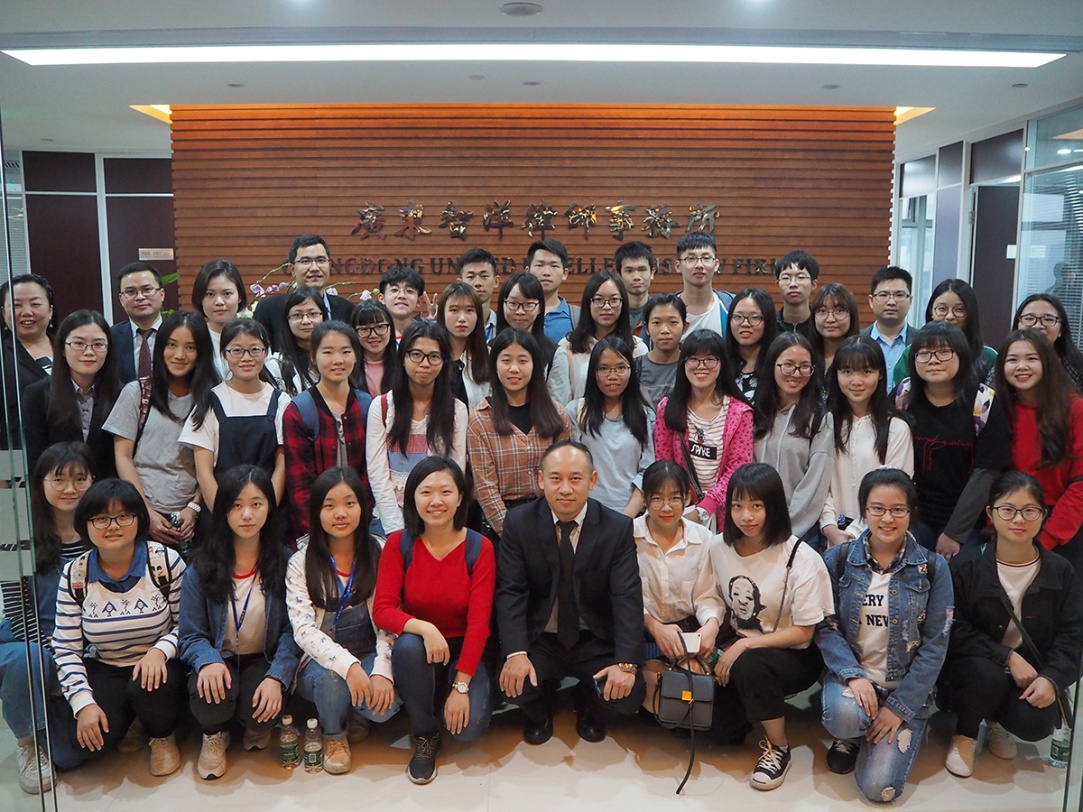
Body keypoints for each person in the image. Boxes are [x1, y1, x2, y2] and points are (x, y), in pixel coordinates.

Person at [816, 469, 953, 802]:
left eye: (897, 509)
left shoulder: (933, 568)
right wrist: (853, 675)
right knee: (844, 717)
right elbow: (824, 626)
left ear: (911, 512)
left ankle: (884, 726)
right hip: (855, 682)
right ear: (864, 510)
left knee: (880, 789)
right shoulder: (838, 559)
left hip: (904, 688)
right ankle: (856, 730)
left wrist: (900, 707)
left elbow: (936, 645)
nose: (887, 518)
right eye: (877, 508)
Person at [497, 441, 646, 744]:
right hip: (542, 637)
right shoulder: (519, 522)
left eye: (575, 478)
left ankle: (588, 703)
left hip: (593, 637)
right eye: (555, 478)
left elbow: (627, 597)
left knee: (630, 694)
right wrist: (516, 652)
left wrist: (626, 664)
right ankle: (542, 708)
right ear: (540, 480)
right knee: (512, 684)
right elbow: (511, 591)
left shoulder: (616, 528)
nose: (565, 489)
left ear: (592, 481)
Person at [941, 471, 1083, 778]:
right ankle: (966, 732)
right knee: (986, 676)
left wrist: (1052, 678)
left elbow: (1073, 634)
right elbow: (952, 629)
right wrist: (1006, 656)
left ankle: (996, 721)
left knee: (1036, 723)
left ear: (1043, 515)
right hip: (975, 669)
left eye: (1029, 510)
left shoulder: (1061, 571)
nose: (1018, 519)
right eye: (1007, 509)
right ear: (991, 513)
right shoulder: (967, 565)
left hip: (1028, 674)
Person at [707, 462, 833, 790]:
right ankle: (752, 707)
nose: (746, 516)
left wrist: (745, 645)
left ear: (773, 507)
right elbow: (713, 599)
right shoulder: (718, 547)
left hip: (793, 653)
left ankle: (779, 748)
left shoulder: (801, 557)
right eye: (737, 506)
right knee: (721, 732)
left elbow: (805, 632)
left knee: (749, 664)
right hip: (737, 644)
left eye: (756, 506)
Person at [51, 479, 187, 775]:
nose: (112, 526)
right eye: (101, 518)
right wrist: (83, 704)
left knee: (148, 687)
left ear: (139, 519)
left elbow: (188, 627)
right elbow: (65, 648)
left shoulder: (164, 561)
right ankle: (129, 718)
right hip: (106, 664)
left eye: (123, 516)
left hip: (160, 665)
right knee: (70, 753)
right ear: (85, 524)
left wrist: (159, 652)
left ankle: (162, 735)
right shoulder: (75, 574)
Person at [373, 457, 496, 784]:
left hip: (464, 649)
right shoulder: (398, 544)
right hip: (420, 649)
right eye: (426, 492)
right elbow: (382, 610)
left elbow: (479, 625)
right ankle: (425, 733)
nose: (436, 501)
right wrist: (425, 627)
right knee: (408, 647)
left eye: (446, 491)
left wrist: (461, 686)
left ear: (460, 497)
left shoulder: (480, 547)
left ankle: (445, 694)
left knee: (469, 729)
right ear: (412, 497)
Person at [178, 465, 298, 780]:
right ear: (223, 511)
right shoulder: (200, 567)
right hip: (221, 656)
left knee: (260, 715)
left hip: (263, 657)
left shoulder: (286, 562)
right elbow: (190, 635)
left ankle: (254, 723)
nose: (247, 514)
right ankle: (214, 734)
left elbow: (293, 632)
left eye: (256, 504)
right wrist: (207, 660)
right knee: (210, 697)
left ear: (269, 507)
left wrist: (277, 676)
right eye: (236, 505)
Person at [285, 467, 400, 775]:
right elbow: (304, 630)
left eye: (349, 503)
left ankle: (355, 711)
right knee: (332, 681)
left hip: (370, 650)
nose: (340, 513)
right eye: (329, 505)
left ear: (363, 507)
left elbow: (389, 617)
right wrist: (349, 666)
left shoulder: (380, 551)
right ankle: (334, 734)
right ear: (317, 512)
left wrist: (382, 670)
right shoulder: (300, 562)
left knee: (384, 709)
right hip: (319, 663)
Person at [0, 442, 94, 793]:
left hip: (86, 649)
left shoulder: (102, 530)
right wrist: (60, 661)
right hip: (33, 644)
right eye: (59, 479)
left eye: (80, 478)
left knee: (70, 755)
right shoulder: (16, 538)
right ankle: (28, 744)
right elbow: (18, 614)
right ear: (39, 482)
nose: (70, 488)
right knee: (28, 659)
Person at [104, 310, 218, 557]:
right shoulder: (137, 392)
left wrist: (194, 507)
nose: (179, 355)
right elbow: (123, 457)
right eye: (171, 345)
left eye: (190, 347)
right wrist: (145, 512)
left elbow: (212, 463)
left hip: (195, 516)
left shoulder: (212, 398)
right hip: (141, 510)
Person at [896, 322, 1012, 559]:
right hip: (913, 516)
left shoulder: (984, 402)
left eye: (944, 352)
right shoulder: (904, 396)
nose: (933, 360)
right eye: (924, 353)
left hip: (967, 521)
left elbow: (986, 472)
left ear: (962, 355)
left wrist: (954, 533)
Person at [633, 460, 723, 714]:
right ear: (645, 500)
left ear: (687, 498)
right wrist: (654, 626)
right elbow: (622, 597)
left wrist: (711, 626)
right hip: (641, 631)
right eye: (657, 498)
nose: (666, 507)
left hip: (687, 631)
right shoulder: (628, 536)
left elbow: (707, 595)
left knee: (690, 694)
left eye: (674, 498)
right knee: (653, 694)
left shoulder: (703, 538)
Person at [467, 329, 574, 540]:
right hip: (501, 527)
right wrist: (514, 537)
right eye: (506, 360)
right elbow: (485, 489)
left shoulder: (557, 415)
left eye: (523, 360)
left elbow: (565, 475)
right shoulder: (480, 420)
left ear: (535, 365)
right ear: (494, 365)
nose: (514, 368)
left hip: (551, 519)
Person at [994, 329, 1083, 577]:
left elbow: (1080, 485)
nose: (1021, 366)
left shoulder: (1075, 409)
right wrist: (997, 522)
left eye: (1031, 358)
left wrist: (1046, 539)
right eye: (1013, 359)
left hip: (1061, 528)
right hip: (1006, 522)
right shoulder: (997, 410)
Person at [367, 319, 467, 536]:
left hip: (438, 516)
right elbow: (377, 474)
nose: (425, 363)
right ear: (403, 358)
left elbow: (456, 471)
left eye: (434, 356)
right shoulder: (382, 407)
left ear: (444, 362)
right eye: (416, 354)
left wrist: (435, 521)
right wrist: (396, 530)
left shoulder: (456, 410)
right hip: (389, 519)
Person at [180, 318, 290, 513]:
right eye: (237, 350)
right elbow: (204, 472)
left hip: (269, 512)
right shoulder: (211, 401)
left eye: (254, 349)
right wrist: (226, 515)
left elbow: (282, 466)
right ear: (224, 354)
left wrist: (264, 512)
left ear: (266, 352)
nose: (246, 358)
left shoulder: (282, 401)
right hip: (219, 512)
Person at [654, 329, 754, 529]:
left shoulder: (740, 413)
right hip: (680, 511)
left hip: (726, 514)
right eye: (694, 359)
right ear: (683, 363)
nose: (701, 366)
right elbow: (664, 462)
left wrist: (706, 507)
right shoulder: (667, 407)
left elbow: (737, 468)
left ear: (722, 363)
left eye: (710, 359)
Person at [820, 336, 914, 547]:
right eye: (847, 372)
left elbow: (896, 490)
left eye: (866, 372)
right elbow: (820, 485)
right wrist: (830, 528)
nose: (856, 381)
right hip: (831, 538)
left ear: (880, 374)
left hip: (883, 536)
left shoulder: (896, 428)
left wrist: (853, 533)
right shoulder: (825, 424)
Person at [282, 321, 372, 538]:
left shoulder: (368, 406)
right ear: (313, 356)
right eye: (328, 352)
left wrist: (360, 523)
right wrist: (313, 535)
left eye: (346, 351)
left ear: (356, 356)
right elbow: (299, 487)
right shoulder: (298, 411)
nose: (338, 360)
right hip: (314, 529)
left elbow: (371, 474)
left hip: (362, 525)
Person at [753, 333, 834, 544]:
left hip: (799, 533)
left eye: (804, 366)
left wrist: (787, 529)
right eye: (788, 365)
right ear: (773, 365)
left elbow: (815, 482)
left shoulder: (820, 419)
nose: (796, 374)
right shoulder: (753, 412)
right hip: (753, 524)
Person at [22, 310, 121, 479]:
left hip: (107, 491)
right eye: (79, 343)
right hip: (58, 489)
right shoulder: (37, 394)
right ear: (62, 348)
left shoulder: (122, 395)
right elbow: (35, 460)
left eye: (98, 344)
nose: (89, 352)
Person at [566, 337, 655, 516]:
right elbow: (571, 469)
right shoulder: (576, 412)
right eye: (604, 369)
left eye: (621, 368)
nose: (613, 376)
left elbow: (648, 471)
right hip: (587, 513)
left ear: (631, 370)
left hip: (632, 514)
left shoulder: (645, 415)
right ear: (593, 372)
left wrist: (624, 519)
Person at [553, 271, 648, 403]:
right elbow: (562, 401)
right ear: (588, 302)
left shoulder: (637, 347)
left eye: (614, 300)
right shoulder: (568, 346)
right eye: (599, 300)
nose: (607, 307)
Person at [253, 235, 353, 351]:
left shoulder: (347, 310)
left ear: (330, 266)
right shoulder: (268, 310)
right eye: (306, 261)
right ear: (292, 269)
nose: (314, 268)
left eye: (321, 260)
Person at [893, 279, 996, 386]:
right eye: (942, 309)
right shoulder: (912, 352)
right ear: (931, 311)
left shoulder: (988, 356)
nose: (949, 316)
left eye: (959, 310)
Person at [0, 273, 55, 448]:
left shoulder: (69, 347)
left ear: (50, 310)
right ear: (3, 312)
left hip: (70, 453)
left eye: (35, 304)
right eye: (16, 305)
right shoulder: (2, 354)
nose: (27, 312)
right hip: (19, 453)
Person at [494, 272, 567, 402]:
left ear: (539, 308)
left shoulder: (555, 354)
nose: (520, 311)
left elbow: (558, 404)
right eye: (513, 303)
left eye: (528, 304)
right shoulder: (489, 349)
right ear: (502, 305)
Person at [436, 281, 491, 412]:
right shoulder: (430, 356)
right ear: (442, 313)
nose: (462, 318)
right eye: (454, 310)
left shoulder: (490, 357)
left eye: (469, 310)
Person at [1012, 292, 1083, 392]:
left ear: (1061, 330)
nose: (1037, 326)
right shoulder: (1002, 366)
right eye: (1029, 318)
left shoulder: (1078, 367)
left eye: (1048, 319)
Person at [860, 266, 915, 391]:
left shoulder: (922, 342)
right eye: (883, 295)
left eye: (899, 295)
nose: (891, 302)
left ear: (910, 301)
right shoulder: (856, 340)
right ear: (871, 301)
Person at [111, 261, 166, 384]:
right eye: (131, 292)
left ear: (162, 294)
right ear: (121, 299)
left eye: (147, 289)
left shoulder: (178, 333)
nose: (140, 297)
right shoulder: (110, 338)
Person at [265, 287, 326, 396]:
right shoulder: (276, 366)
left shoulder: (335, 359)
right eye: (297, 315)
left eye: (313, 314)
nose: (306, 321)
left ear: (324, 317)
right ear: (287, 320)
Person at [191, 258, 246, 381]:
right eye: (210, 294)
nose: (219, 302)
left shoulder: (254, 335)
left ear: (240, 296)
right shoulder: (194, 338)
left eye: (227, 294)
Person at [725, 287, 779, 402]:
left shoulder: (779, 365)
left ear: (768, 321)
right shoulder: (720, 363)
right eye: (738, 317)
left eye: (754, 317)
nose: (745, 323)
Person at [636, 293, 687, 409]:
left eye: (673, 322)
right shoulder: (635, 368)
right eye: (656, 323)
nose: (665, 330)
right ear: (646, 328)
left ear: (685, 327)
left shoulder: (692, 366)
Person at [676, 233, 732, 337]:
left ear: (716, 264)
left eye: (706, 258)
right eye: (691, 258)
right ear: (678, 266)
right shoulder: (664, 309)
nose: (699, 265)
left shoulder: (732, 306)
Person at [526, 238, 580, 344]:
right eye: (539, 265)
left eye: (554, 266)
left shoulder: (578, 318)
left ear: (565, 273)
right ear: (527, 272)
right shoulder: (516, 314)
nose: (546, 272)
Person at [350, 299, 396, 400]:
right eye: (364, 329)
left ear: (391, 329)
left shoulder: (403, 364)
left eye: (380, 327)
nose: (373, 335)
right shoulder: (348, 366)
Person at [810, 283, 860, 372]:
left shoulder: (864, 357)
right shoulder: (806, 356)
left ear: (852, 316)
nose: (830, 319)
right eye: (822, 311)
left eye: (839, 311)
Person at [456, 247, 499, 341]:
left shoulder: (504, 327)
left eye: (484, 276)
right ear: (460, 283)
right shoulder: (452, 327)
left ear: (496, 281)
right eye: (471, 277)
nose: (478, 283)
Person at [774, 251, 820, 338]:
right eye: (786, 278)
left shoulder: (820, 324)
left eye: (801, 277)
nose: (793, 284)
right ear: (778, 284)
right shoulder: (769, 324)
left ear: (813, 284)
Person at [614, 241, 655, 333]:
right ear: (619, 276)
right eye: (629, 271)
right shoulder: (611, 313)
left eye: (642, 270)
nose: (636, 277)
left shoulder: (659, 311)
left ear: (652, 272)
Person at [379, 265, 426, 340]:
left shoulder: (428, 335)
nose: (402, 296)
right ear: (382, 298)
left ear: (419, 301)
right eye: (394, 290)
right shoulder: (374, 336)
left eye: (409, 291)